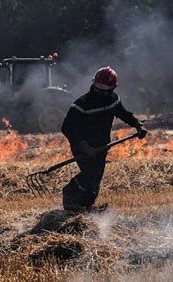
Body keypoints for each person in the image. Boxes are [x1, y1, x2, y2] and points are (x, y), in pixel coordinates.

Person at [61, 66, 147, 212]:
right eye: (97, 89)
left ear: (113, 88)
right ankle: (69, 195)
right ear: (93, 84)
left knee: (96, 178)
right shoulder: (81, 104)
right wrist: (84, 146)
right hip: (83, 146)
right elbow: (67, 128)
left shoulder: (113, 100)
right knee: (91, 174)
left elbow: (123, 113)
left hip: (102, 145)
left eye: (104, 90)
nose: (100, 93)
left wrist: (137, 124)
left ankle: (85, 206)